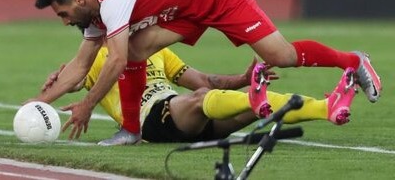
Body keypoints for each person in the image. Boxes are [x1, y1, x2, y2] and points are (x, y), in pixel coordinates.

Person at [33, 0, 382, 145]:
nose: (64, 21)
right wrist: (35, 106)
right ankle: (131, 130)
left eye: (63, 14)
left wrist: (87, 106)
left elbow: (117, 60)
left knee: (281, 56)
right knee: (139, 48)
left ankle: (354, 60)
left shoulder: (113, 1)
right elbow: (79, 68)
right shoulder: (94, 16)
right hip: (185, 9)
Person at [42, 48, 358, 144]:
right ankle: (252, 96)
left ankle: (326, 108)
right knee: (202, 97)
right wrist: (55, 84)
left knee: (254, 102)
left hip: (183, 114)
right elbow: (67, 84)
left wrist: (242, 78)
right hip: (151, 122)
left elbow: (202, 79)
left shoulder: (156, 50)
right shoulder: (95, 56)